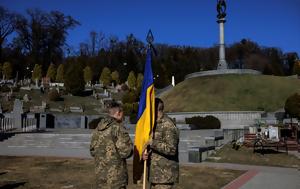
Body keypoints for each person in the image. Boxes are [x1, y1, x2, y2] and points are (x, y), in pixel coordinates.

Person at [90, 101, 133, 189]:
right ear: (118, 113)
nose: (123, 116)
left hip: (101, 177)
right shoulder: (117, 128)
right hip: (116, 179)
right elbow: (126, 152)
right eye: (122, 113)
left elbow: (92, 151)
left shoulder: (98, 129)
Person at [143, 98, 180, 189]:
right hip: (155, 176)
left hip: (164, 177)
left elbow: (171, 149)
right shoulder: (154, 124)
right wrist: (146, 154)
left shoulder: (168, 125)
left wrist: (152, 142)